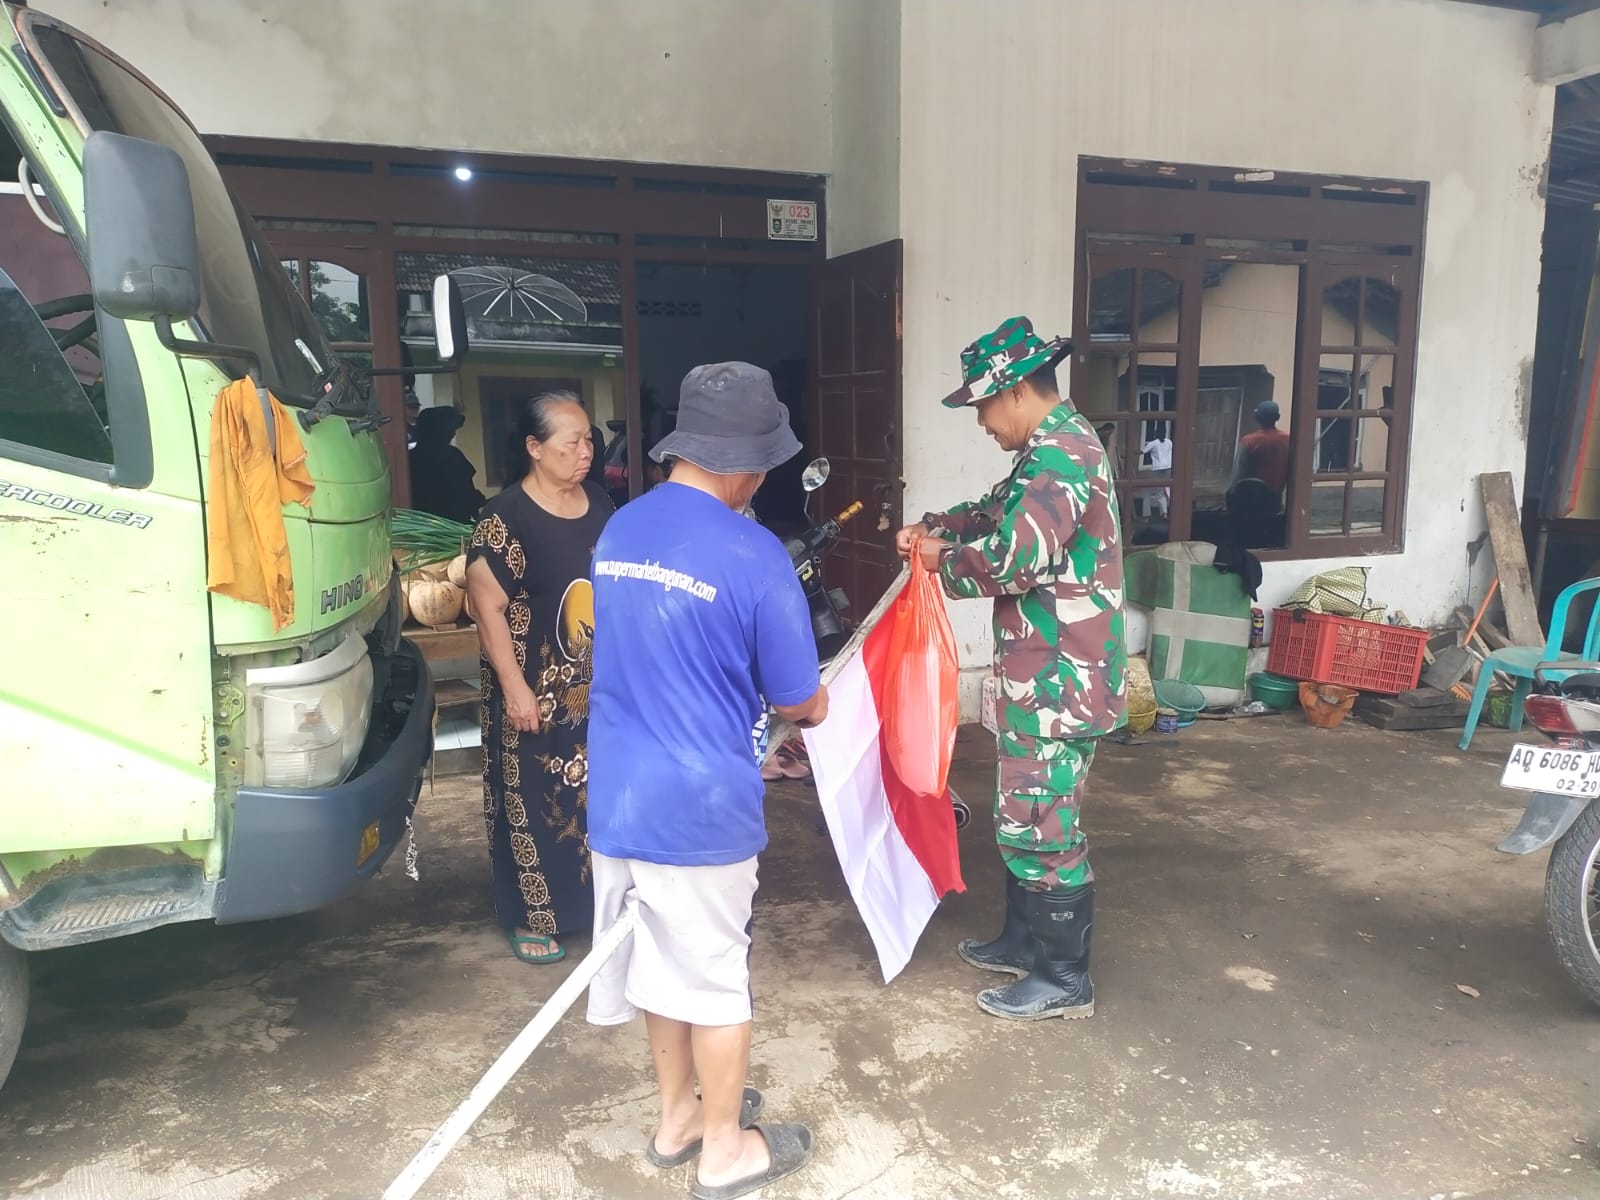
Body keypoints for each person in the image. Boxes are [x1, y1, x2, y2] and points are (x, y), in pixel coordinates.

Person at [587, 362, 827, 1199]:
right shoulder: (755, 554)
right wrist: (817, 702)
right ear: (746, 464)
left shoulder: (619, 530)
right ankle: (723, 1149)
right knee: (718, 977)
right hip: (699, 805)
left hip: (619, 794)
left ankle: (678, 1117)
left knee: (663, 962)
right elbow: (797, 697)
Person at [896, 315, 1126, 1022]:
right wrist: (940, 525)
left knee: (1041, 822)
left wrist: (941, 559)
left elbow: (1012, 559)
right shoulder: (1048, 453)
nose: (981, 422)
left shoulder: (1062, 457)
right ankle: (1026, 942)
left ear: (1018, 390)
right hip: (1046, 674)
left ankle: (1063, 979)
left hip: (1060, 680)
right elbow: (997, 511)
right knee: (1025, 811)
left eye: (984, 405)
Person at [465, 391, 612, 963]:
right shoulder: (505, 519)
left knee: (592, 800)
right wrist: (515, 689)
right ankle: (531, 915)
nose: (586, 451)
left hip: (592, 690)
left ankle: (595, 906)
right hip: (531, 693)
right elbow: (487, 608)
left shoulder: (600, 504)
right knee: (530, 797)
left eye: (589, 440)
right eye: (571, 442)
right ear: (534, 447)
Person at [409, 405, 486, 526]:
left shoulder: (409, 459)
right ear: (439, 431)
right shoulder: (452, 456)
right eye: (451, 429)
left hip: (418, 526)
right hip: (451, 527)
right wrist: (475, 501)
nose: (453, 434)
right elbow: (464, 495)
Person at [1231, 399, 1291, 503]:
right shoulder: (1288, 440)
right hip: (1276, 498)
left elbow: (1238, 473)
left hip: (1252, 499)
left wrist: (1231, 494)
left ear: (1257, 418)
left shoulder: (1248, 441)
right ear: (1277, 417)